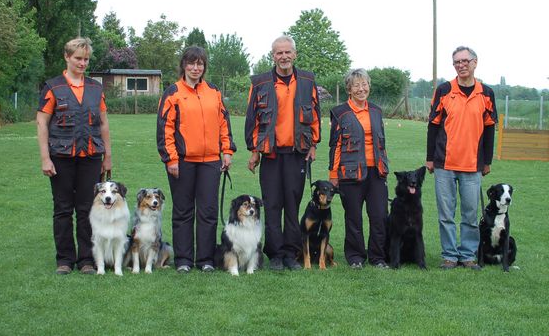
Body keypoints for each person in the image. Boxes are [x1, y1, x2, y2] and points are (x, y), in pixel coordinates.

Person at [157, 46, 236, 273]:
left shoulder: (214, 92)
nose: (195, 68)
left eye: (200, 63)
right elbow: (165, 129)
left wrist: (227, 152)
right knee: (183, 211)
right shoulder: (173, 92)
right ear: (184, 65)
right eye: (191, 63)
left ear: (204, 67)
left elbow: (224, 124)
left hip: (211, 161)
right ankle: (183, 260)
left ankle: (205, 260)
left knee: (208, 212)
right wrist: (171, 159)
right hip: (182, 161)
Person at [36, 37, 112, 275]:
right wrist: (45, 158)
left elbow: (104, 123)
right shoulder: (53, 87)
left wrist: (107, 155)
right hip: (61, 156)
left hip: (90, 155)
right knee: (62, 208)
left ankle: (86, 259)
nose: (82, 63)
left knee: (87, 208)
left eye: (86, 59)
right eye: (78, 58)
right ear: (67, 57)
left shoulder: (95, 88)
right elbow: (42, 122)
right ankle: (65, 259)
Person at [245, 35, 321, 271]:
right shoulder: (259, 83)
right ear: (273, 56)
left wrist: (314, 144)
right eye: (279, 53)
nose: (284, 56)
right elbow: (252, 119)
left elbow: (316, 116)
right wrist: (255, 151)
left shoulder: (308, 80)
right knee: (272, 204)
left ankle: (291, 253)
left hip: (297, 152)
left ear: (295, 54)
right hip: (270, 154)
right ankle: (275, 255)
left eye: (288, 52)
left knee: (292, 204)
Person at [426, 46, 498, 270]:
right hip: (444, 164)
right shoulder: (444, 90)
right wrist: (430, 158)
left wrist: (487, 162)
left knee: (470, 214)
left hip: (472, 164)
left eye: (465, 61)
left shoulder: (486, 93)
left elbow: (489, 129)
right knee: (446, 215)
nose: (461, 65)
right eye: (457, 62)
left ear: (475, 63)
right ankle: (449, 255)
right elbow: (433, 126)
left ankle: (467, 256)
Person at [328, 69, 390, 269]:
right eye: (356, 85)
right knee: (353, 217)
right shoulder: (340, 113)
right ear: (349, 88)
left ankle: (378, 257)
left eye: (364, 85)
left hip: (376, 172)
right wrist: (333, 174)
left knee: (379, 216)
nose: (361, 89)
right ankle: (355, 257)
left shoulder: (376, 111)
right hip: (350, 174)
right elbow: (335, 145)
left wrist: (385, 168)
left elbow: (382, 143)